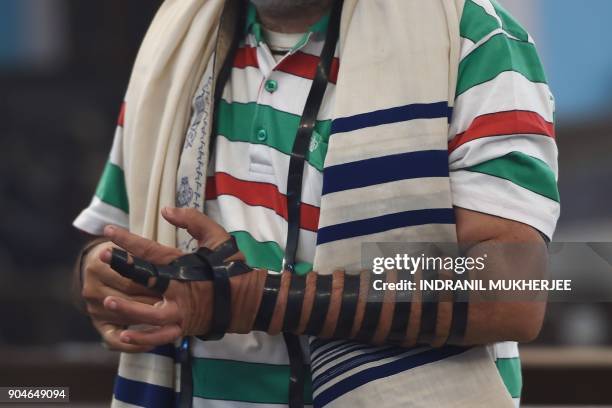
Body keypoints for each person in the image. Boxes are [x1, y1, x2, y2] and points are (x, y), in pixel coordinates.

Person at [74, 0, 559, 407]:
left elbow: (514, 290)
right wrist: (106, 272)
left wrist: (253, 299)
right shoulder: (175, 44)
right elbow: (119, 228)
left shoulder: (471, 36)